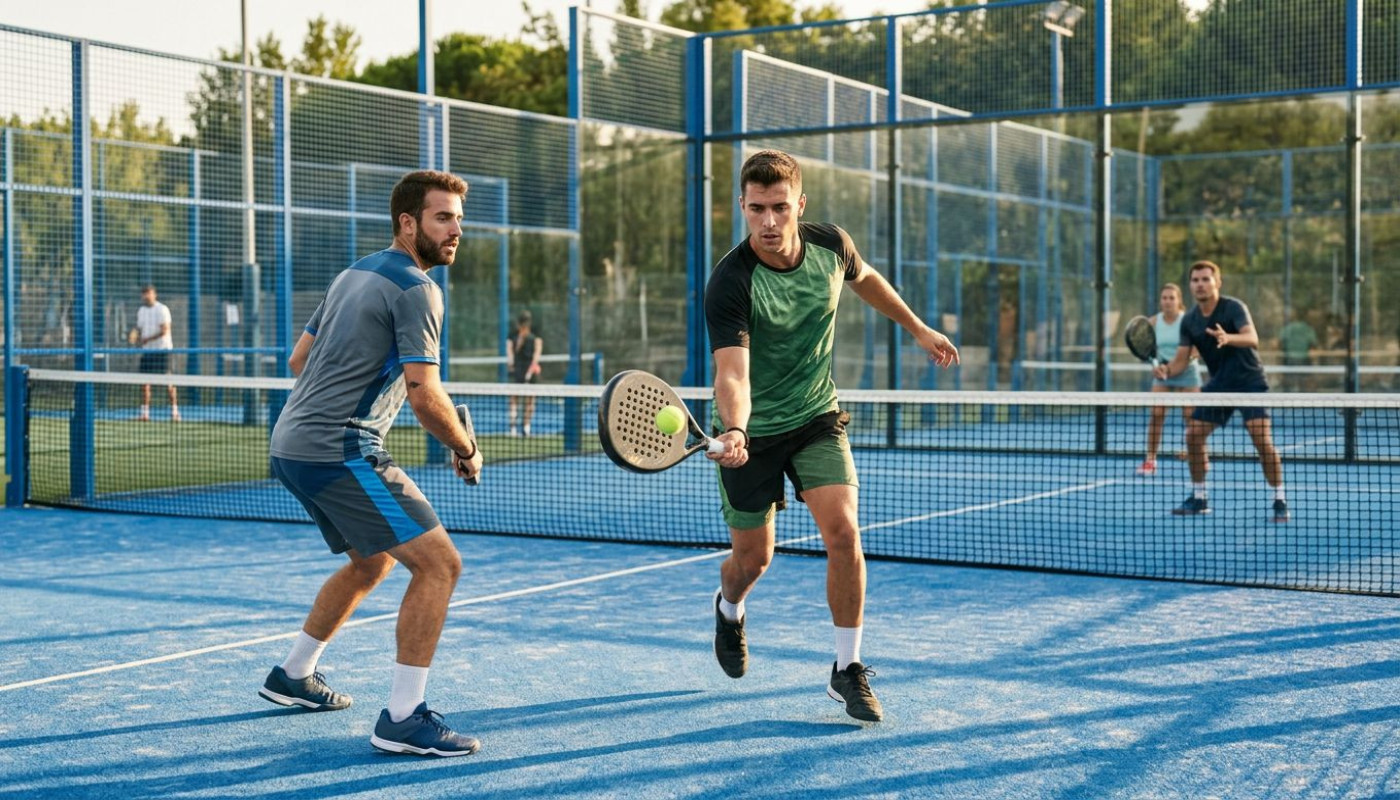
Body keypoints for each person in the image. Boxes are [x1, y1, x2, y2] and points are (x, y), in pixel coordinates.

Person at [704, 150, 960, 722]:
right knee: (752, 560)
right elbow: (733, 372)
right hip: (753, 432)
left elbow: (865, 279)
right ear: (742, 207)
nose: (768, 222)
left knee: (843, 532)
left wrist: (918, 329)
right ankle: (729, 609)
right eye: (755, 209)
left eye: (778, 208)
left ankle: (847, 669)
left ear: (800, 204)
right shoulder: (730, 282)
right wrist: (738, 428)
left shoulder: (830, 246)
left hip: (818, 416)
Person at [262, 170, 484, 757]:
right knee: (440, 566)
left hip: (291, 442)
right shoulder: (418, 288)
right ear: (408, 223)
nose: (457, 229)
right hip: (339, 448)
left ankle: (293, 675)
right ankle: (404, 718)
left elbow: (298, 359)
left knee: (374, 563)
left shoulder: (352, 273)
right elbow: (424, 395)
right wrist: (464, 447)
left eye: (460, 218)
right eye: (444, 217)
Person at [1155, 260, 1289, 523]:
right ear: (1191, 285)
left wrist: (1228, 338)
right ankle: (1199, 497)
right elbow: (1181, 360)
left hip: (1250, 382)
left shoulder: (1234, 307)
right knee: (1193, 435)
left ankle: (1279, 499)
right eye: (1195, 280)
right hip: (1219, 385)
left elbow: (1252, 338)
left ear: (1218, 282)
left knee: (1261, 440)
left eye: (1206, 279)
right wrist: (1166, 371)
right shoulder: (1190, 320)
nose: (1200, 284)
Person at [1135, 283, 1200, 476]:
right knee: (1156, 415)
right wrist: (1156, 367)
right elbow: (1146, 349)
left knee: (1191, 417)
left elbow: (1196, 351)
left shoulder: (1188, 321)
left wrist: (1175, 367)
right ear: (1160, 301)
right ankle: (1150, 460)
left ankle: (1194, 454)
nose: (1168, 301)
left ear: (1179, 301)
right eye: (1164, 298)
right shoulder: (1153, 322)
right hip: (1162, 374)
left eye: (1172, 298)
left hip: (1187, 372)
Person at [135, 284, 179, 422]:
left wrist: (146, 339)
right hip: (148, 352)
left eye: (149, 293)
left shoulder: (162, 309)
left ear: (155, 294)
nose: (146, 296)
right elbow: (139, 329)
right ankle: (145, 413)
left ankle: (175, 412)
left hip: (163, 351)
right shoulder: (141, 310)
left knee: (168, 382)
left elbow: (164, 330)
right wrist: (134, 335)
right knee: (145, 383)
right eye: (144, 293)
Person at [506, 309, 542, 437]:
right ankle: (514, 428)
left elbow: (537, 351)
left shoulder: (534, 337)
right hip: (519, 370)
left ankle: (525, 428)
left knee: (529, 400)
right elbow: (510, 351)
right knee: (516, 399)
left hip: (528, 371)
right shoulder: (514, 336)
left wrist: (532, 368)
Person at [1278, 310, 1318, 391]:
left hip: (1290, 358)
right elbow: (1313, 343)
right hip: (1303, 358)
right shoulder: (1308, 329)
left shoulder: (1288, 328)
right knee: (1303, 381)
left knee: (1290, 381)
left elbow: (1280, 342)